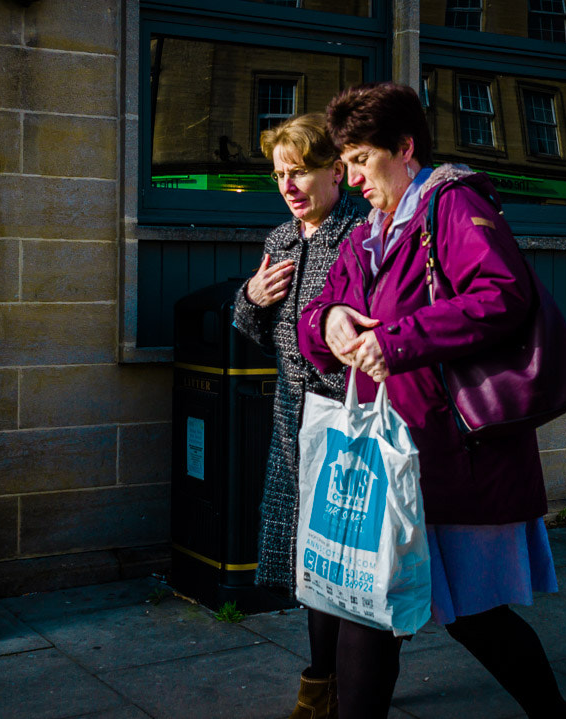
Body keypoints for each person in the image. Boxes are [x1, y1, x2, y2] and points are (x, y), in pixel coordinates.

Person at [296, 82, 566, 719]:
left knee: (474, 614)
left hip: (453, 452)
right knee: (368, 612)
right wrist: (331, 322)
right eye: (343, 163)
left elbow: (502, 295)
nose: (349, 180)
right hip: (386, 454)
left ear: (405, 150)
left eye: (360, 160)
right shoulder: (363, 235)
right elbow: (314, 318)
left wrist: (396, 342)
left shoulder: (452, 206)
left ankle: (559, 715)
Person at [232, 113, 365, 719]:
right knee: (312, 564)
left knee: (351, 560)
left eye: (302, 171)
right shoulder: (282, 239)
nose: (289, 185)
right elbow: (261, 333)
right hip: (295, 418)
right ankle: (323, 684)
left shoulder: (362, 233)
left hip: (352, 419)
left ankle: (340, 684)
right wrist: (251, 300)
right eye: (280, 174)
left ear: (336, 171)